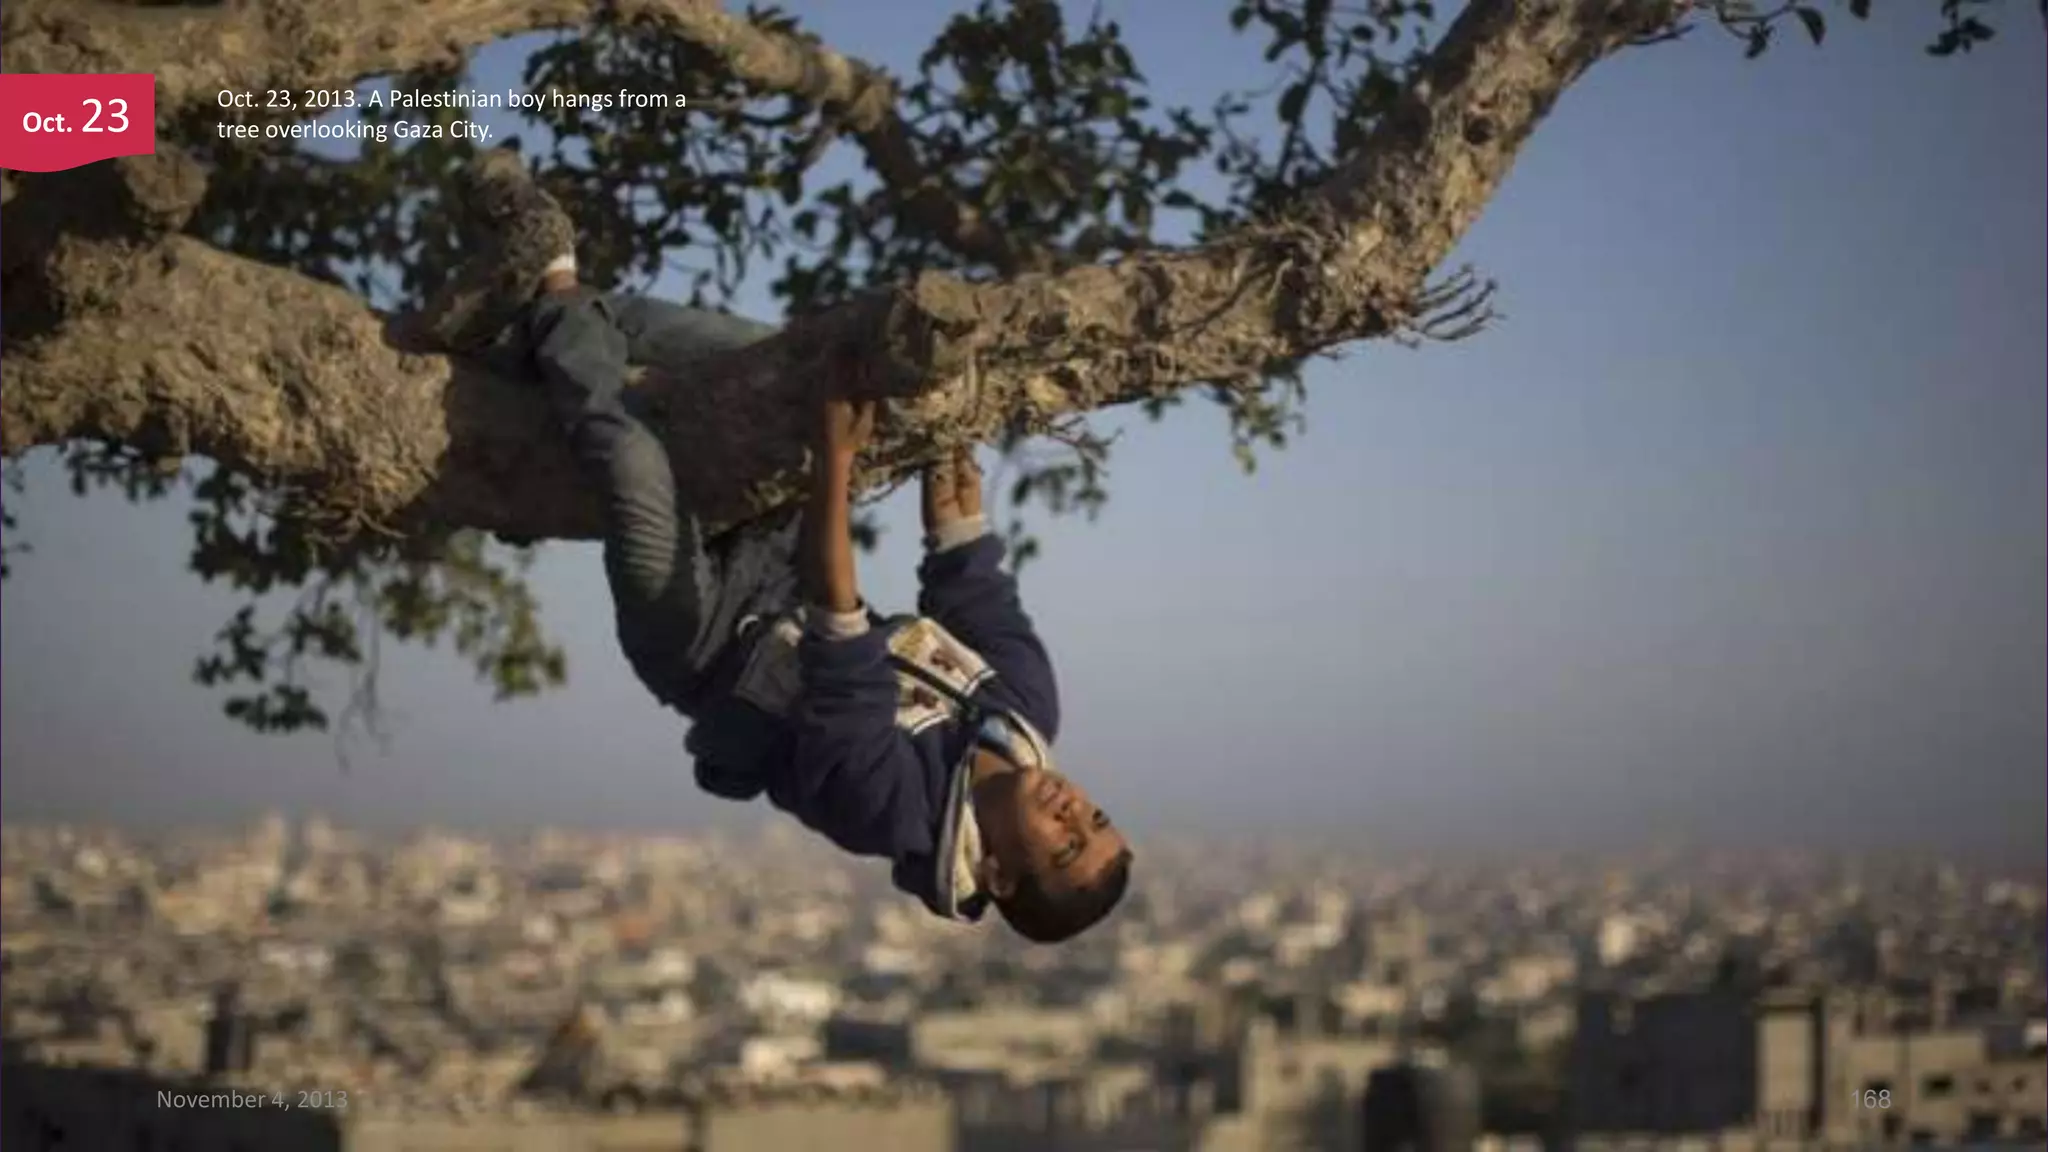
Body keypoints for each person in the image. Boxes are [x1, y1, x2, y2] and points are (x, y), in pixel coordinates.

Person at [417, 151, 1133, 944]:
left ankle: (550, 278)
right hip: (784, 565)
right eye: (1096, 818)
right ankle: (539, 334)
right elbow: (975, 582)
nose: (1074, 811)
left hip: (700, 642)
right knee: (770, 362)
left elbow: (842, 636)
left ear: (997, 874)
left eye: (1066, 847)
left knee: (635, 467)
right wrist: (947, 465)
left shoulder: (892, 811)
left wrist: (837, 460)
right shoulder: (1027, 708)